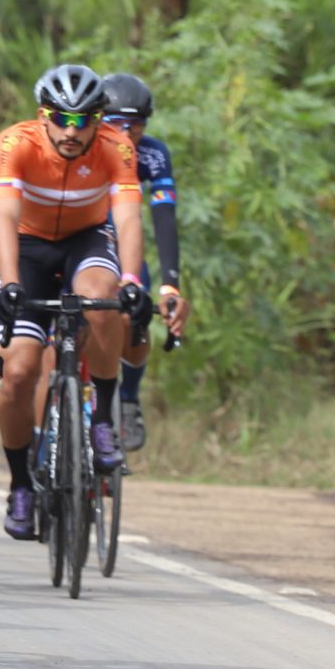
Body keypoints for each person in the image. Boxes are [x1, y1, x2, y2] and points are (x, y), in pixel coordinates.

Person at [0, 63, 147, 539]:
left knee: (102, 299)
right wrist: (9, 282)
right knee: (18, 373)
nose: (71, 131)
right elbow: (3, 215)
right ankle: (20, 484)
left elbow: (128, 218)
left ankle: (103, 420)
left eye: (83, 120)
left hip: (85, 240)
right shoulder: (15, 143)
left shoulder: (117, 148)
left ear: (99, 120)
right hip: (28, 248)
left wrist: (133, 280)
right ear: (43, 116)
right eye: (60, 118)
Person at [99, 72, 188, 450]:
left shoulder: (152, 154)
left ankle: (128, 398)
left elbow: (164, 218)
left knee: (133, 317)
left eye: (135, 125)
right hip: (79, 245)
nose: (125, 133)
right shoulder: (82, 146)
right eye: (115, 123)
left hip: (124, 249)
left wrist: (171, 284)